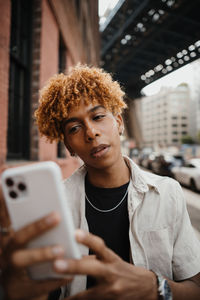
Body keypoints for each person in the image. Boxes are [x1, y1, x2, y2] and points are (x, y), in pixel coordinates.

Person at [0, 64, 200, 300]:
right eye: (74, 127)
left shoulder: (168, 191)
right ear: (69, 147)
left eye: (98, 116)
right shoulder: (54, 207)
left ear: (119, 122)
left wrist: (156, 288)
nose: (91, 132)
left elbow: (195, 287)